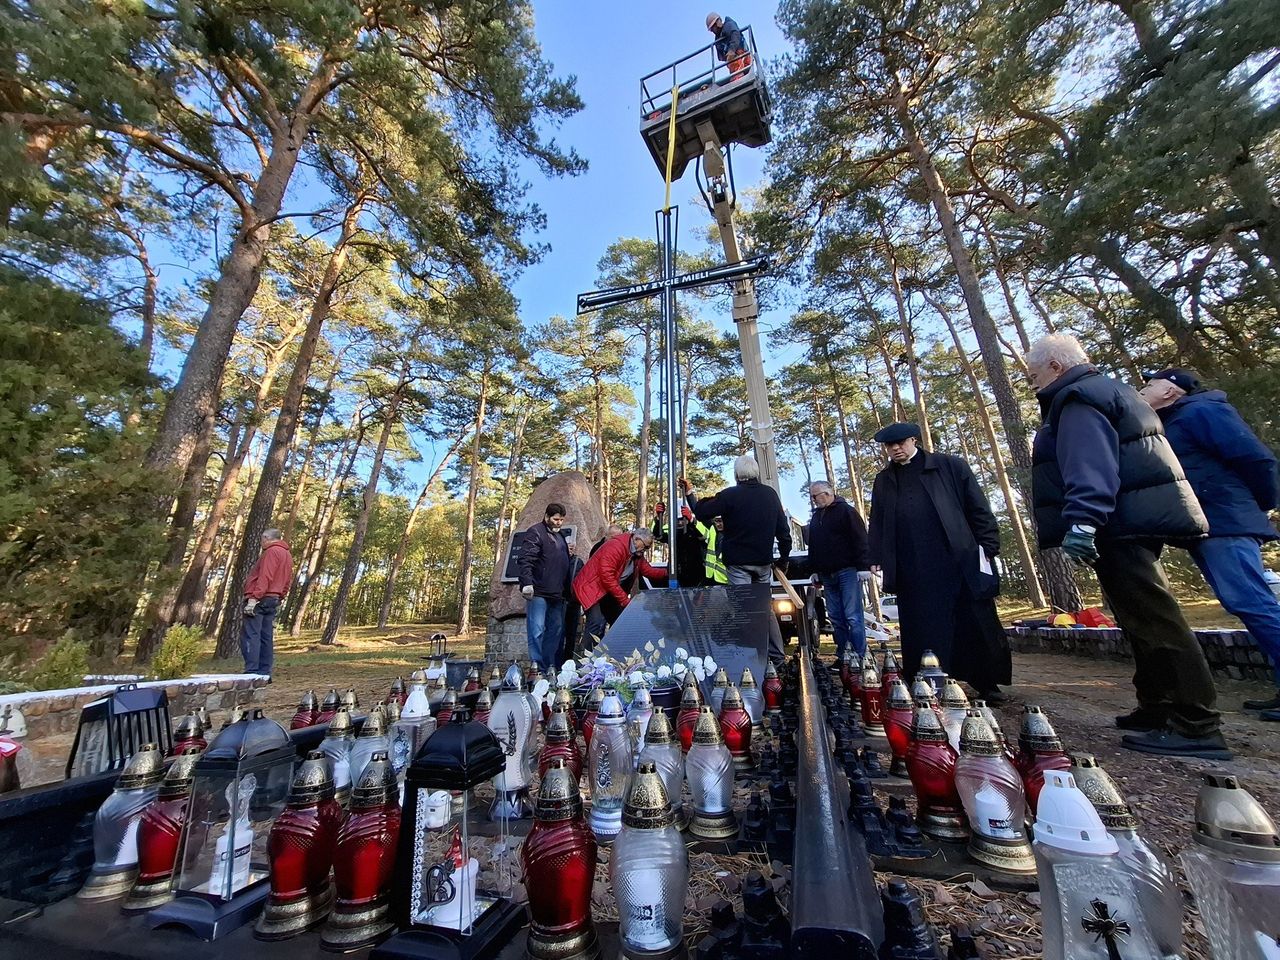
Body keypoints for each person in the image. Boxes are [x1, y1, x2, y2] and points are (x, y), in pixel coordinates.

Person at [1026, 334, 1229, 759]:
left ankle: (1197, 722)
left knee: (1155, 617)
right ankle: (1157, 705)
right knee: (1137, 616)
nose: (1032, 383)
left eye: (1034, 374)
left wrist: (1084, 517)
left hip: (1117, 519)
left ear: (1057, 367)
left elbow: (1090, 460)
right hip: (1132, 515)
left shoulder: (1078, 398)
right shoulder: (1114, 389)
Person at [1139, 368, 1280, 718]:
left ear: (1171, 391)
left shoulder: (1204, 412)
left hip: (1225, 520)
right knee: (1244, 601)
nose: (1142, 390)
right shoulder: (1171, 423)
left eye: (1150, 384)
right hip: (1208, 524)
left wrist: (1257, 505)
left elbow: (1255, 458)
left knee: (1251, 600)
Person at [867, 424, 1010, 700]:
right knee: (923, 627)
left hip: (956, 560)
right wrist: (875, 555)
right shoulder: (884, 480)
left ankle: (985, 682)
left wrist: (989, 543)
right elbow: (879, 520)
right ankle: (926, 682)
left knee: (972, 623)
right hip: (913, 567)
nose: (895, 449)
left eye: (900, 443)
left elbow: (977, 506)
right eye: (889, 446)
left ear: (913, 440)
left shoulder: (949, 466)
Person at [692, 455, 791, 660]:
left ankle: (754, 656)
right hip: (763, 562)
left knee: (744, 608)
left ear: (737, 474)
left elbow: (701, 512)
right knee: (765, 607)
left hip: (738, 563)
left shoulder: (730, 495)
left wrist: (694, 494)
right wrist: (784, 558)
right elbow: (783, 530)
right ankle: (776, 654)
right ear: (756, 473)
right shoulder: (770, 495)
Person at [806, 481, 872, 660]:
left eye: (815, 496)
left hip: (847, 571)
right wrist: (814, 570)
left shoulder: (847, 512)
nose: (813, 500)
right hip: (826, 575)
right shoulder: (816, 517)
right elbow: (814, 546)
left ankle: (860, 656)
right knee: (835, 617)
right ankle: (844, 656)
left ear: (827, 493)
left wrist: (863, 566)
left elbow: (860, 539)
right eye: (811, 496)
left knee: (853, 617)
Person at [573, 528, 668, 647]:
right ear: (637, 539)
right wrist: (624, 600)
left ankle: (614, 654)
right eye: (645, 546)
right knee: (596, 622)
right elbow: (607, 577)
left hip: (607, 592)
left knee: (622, 620)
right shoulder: (616, 547)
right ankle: (584, 659)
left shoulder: (636, 553)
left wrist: (669, 573)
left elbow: (648, 571)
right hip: (592, 589)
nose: (645, 550)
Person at [518, 503, 571, 673]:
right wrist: (527, 582)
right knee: (537, 631)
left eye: (561, 520)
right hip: (538, 591)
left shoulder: (561, 536)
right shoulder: (536, 532)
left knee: (555, 631)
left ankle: (550, 666)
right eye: (556, 519)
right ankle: (537, 669)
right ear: (547, 516)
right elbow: (526, 558)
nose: (559, 522)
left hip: (557, 593)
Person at [241, 529, 293, 678]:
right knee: (266, 635)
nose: (261, 543)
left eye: (262, 539)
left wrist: (254, 598)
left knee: (251, 634)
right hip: (273, 598)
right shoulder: (287, 555)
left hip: (261, 598)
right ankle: (265, 671)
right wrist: (281, 595)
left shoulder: (271, 552)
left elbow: (265, 576)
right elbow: (288, 579)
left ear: (266, 538)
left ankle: (251, 671)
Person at [681, 478, 729, 584]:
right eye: (717, 521)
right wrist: (688, 493)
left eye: (721, 521)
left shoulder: (733, 532)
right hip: (711, 578)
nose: (719, 524)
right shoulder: (712, 529)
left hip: (726, 581)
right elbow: (698, 511)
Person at [652, 501, 707, 588]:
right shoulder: (671, 530)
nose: (680, 523)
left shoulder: (695, 527)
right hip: (676, 572)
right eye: (678, 520)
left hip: (695, 574)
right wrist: (659, 519)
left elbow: (704, 535)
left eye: (682, 519)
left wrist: (692, 521)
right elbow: (658, 535)